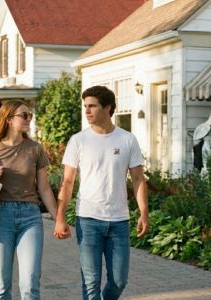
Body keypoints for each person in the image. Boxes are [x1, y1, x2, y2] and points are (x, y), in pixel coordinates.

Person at [54, 85, 149, 300]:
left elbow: (137, 179)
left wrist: (144, 212)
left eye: (92, 106)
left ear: (108, 108)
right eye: (85, 106)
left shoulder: (127, 139)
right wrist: (60, 218)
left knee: (119, 281)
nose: (87, 111)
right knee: (91, 282)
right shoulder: (78, 140)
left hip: (119, 221)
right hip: (88, 220)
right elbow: (67, 182)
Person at [0, 99, 58, 300]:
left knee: (30, 283)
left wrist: (58, 219)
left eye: (30, 115)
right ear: (9, 119)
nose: (29, 119)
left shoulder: (35, 148)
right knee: (1, 284)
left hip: (30, 217)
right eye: (24, 115)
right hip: (0, 216)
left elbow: (43, 188)